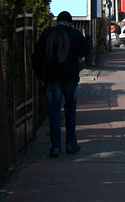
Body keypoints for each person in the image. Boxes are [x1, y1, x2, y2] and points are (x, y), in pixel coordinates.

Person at [33, 11, 91, 157]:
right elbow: (85, 51)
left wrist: (40, 75)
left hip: (52, 79)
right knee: (70, 110)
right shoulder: (74, 34)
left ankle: (55, 147)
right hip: (70, 79)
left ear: (57, 21)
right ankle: (71, 144)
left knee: (54, 112)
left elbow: (37, 56)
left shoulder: (47, 34)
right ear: (70, 22)